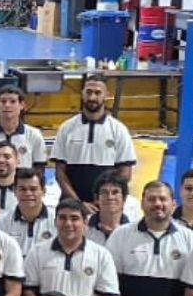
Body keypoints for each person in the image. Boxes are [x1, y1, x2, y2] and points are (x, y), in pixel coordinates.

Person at [105, 180, 193, 296]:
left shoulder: (190, 239)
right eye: (151, 199)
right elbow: (111, 286)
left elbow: (192, 290)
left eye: (162, 199)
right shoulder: (120, 235)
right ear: (142, 203)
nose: (157, 204)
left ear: (173, 203)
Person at [22, 198, 120, 296]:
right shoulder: (38, 251)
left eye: (74, 218)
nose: (68, 223)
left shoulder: (101, 254)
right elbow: (28, 291)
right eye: (62, 218)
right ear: (55, 221)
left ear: (85, 222)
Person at [51, 73, 137, 208]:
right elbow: (60, 173)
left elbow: (125, 173)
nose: (92, 97)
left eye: (97, 93)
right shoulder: (66, 128)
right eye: (88, 92)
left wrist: (103, 200)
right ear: (82, 93)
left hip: (106, 206)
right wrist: (79, 204)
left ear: (106, 95)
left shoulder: (119, 130)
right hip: (71, 206)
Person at [0, 167, 54, 257]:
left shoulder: (56, 220)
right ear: (15, 191)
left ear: (44, 191)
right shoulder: (1, 222)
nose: (28, 193)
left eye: (33, 189)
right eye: (23, 189)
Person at [84, 172, 139, 244]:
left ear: (124, 198)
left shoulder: (135, 230)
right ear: (96, 198)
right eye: (104, 192)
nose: (110, 197)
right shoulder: (82, 227)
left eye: (115, 192)